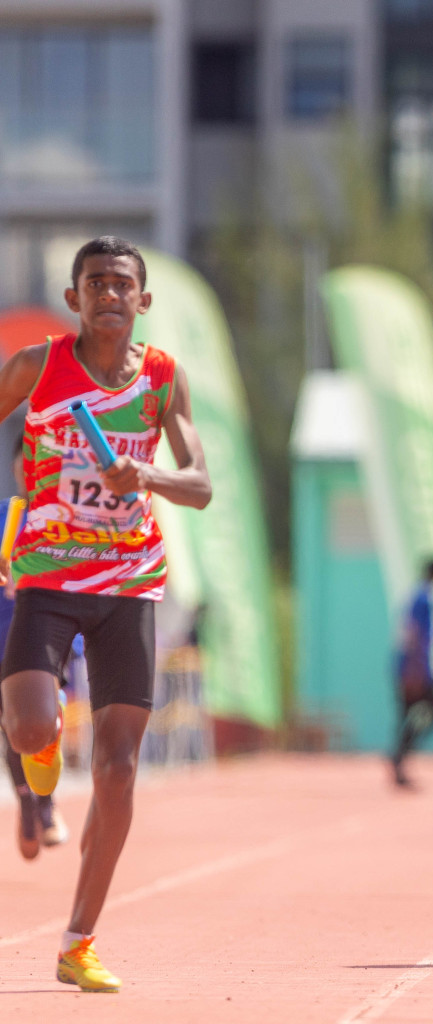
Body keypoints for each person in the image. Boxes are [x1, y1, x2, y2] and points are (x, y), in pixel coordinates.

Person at [0, 236, 212, 992]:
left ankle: (78, 940)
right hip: (49, 575)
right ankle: (42, 756)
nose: (110, 295)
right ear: (74, 298)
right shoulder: (38, 366)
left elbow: (200, 482)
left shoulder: (160, 380)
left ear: (142, 300)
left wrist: (145, 473)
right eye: (95, 283)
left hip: (129, 581)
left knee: (119, 770)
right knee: (30, 727)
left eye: (123, 284)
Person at [1, 434, 68, 858]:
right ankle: (29, 802)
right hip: (2, 641)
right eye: (24, 465)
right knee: (12, 729)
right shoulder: (6, 515)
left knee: (46, 724)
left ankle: (45, 802)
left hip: (47, 639)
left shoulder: (63, 521)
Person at [390, 558, 433, 789]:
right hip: (412, 669)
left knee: (410, 717)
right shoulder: (424, 599)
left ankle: (399, 757)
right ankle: (400, 757)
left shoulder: (418, 597)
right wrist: (417, 672)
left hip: (410, 667)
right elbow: (414, 634)